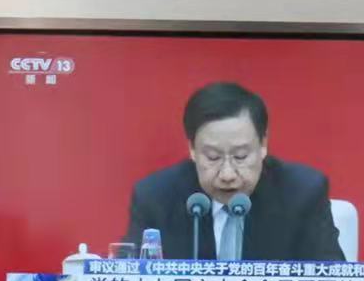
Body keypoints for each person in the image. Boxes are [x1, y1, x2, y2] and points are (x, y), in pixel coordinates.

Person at [124, 82, 344, 262]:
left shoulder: (302, 194)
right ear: (192, 149)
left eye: (240, 156)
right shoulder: (155, 198)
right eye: (213, 157)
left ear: (263, 144)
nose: (227, 175)